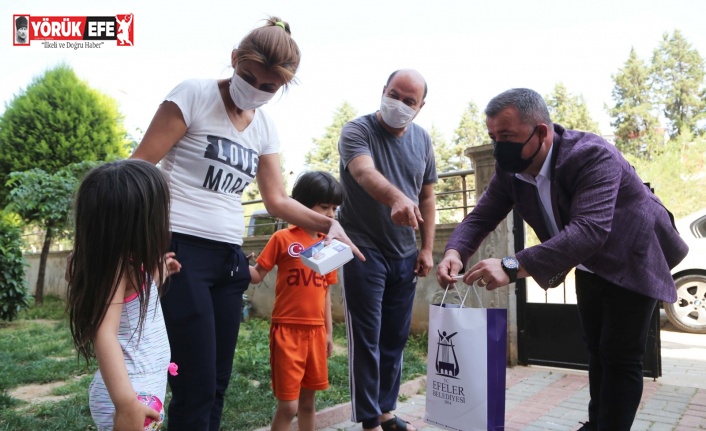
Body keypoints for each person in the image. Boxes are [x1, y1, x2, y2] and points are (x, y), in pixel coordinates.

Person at [130, 16, 362, 431]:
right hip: (179, 250)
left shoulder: (265, 126)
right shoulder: (195, 94)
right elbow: (137, 167)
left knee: (218, 382)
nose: (255, 89)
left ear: (282, 87)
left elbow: (276, 200)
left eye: (269, 87)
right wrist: (129, 241)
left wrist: (331, 227)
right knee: (195, 382)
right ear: (234, 59)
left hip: (229, 259)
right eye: (248, 76)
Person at [436, 88, 689, 431]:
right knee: (597, 349)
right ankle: (598, 422)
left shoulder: (591, 155)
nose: (499, 147)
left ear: (541, 131)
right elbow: (481, 216)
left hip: (633, 254)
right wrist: (455, 251)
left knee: (621, 355)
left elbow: (589, 229)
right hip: (588, 261)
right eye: (493, 136)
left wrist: (511, 266)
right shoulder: (511, 169)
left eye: (507, 136)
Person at [337, 69, 437, 431]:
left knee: (394, 336)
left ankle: (385, 410)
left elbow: (427, 195)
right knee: (367, 336)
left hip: (405, 253)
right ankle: (369, 419)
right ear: (383, 91)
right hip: (362, 246)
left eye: (409, 100)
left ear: (420, 107)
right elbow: (363, 173)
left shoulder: (423, 140)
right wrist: (395, 196)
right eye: (394, 94)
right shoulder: (357, 130)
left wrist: (426, 249)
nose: (399, 104)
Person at [66, 160, 182, 430]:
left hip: (141, 385)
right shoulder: (114, 269)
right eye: (162, 211)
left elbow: (131, 303)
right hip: (130, 390)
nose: (166, 219)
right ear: (137, 220)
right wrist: (125, 402)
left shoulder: (124, 267)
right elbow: (103, 332)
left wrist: (156, 277)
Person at [248, 171, 343, 431]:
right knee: (288, 407)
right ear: (302, 204)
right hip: (286, 331)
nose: (331, 214)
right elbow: (256, 275)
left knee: (309, 404)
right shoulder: (282, 238)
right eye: (324, 206)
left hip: (316, 333)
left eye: (334, 208)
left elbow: (324, 291)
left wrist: (328, 333)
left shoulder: (329, 245)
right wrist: (234, 260)